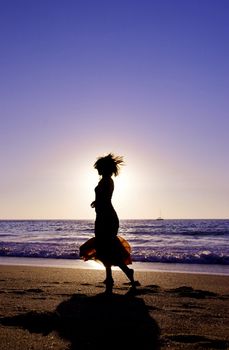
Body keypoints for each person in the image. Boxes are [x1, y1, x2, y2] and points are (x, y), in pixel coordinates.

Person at [80, 153, 139, 294]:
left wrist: (99, 201)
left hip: (107, 218)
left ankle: (128, 272)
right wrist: (96, 202)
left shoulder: (107, 181)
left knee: (108, 248)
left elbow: (106, 198)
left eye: (99, 168)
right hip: (102, 217)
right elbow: (103, 197)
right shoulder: (105, 180)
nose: (97, 171)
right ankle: (109, 277)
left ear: (105, 168)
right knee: (103, 248)